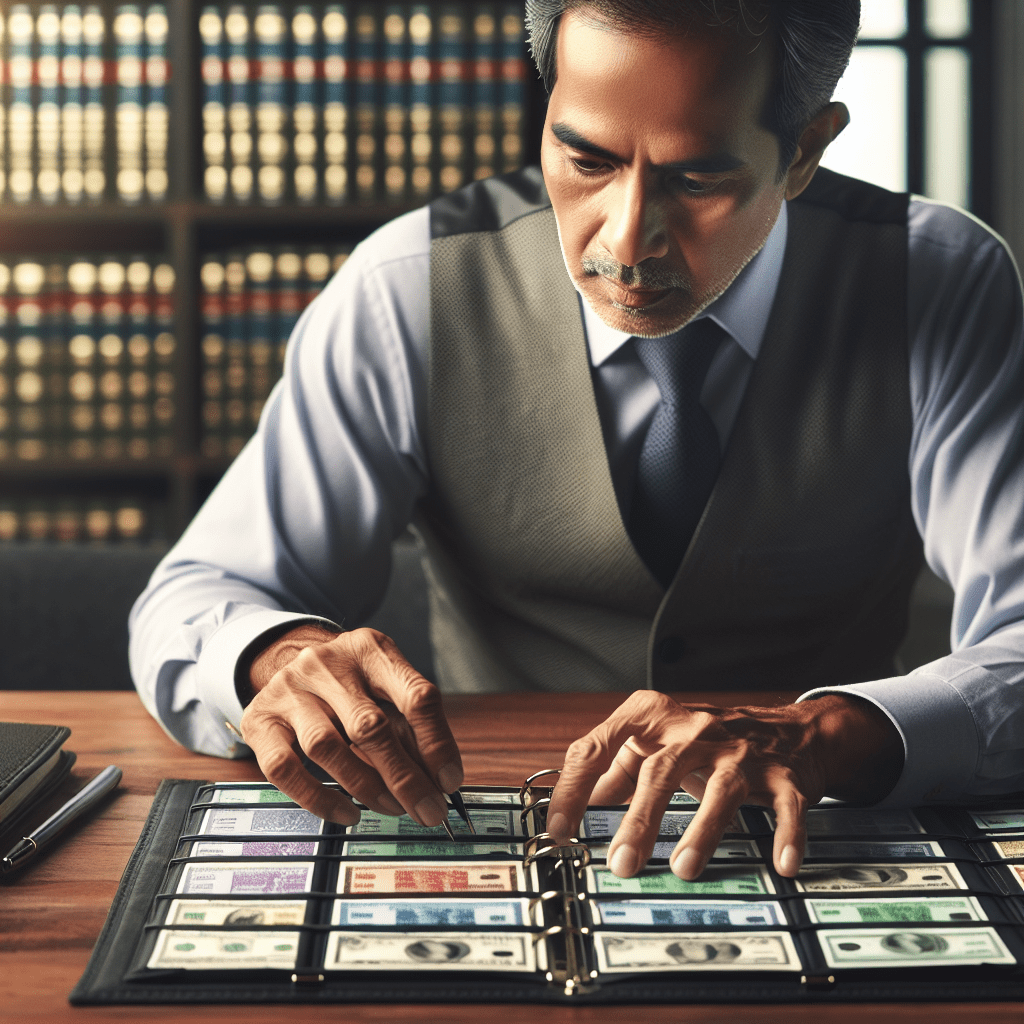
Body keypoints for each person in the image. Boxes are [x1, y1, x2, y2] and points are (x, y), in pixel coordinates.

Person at [130, 0, 1024, 886]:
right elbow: (199, 596)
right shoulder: (408, 292)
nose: (627, 241)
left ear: (802, 151)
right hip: (497, 834)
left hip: (828, 850)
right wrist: (274, 657)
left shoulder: (938, 282)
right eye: (585, 158)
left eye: (699, 180)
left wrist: (827, 735)